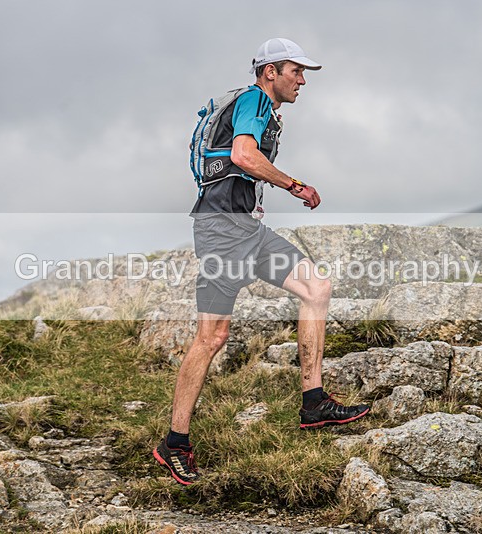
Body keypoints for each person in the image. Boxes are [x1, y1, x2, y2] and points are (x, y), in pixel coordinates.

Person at [153, 38, 370, 486]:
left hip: (247, 231)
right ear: (270, 71)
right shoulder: (254, 99)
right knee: (212, 338)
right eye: (296, 71)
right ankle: (174, 442)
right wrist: (296, 185)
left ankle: (314, 402)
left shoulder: (264, 109)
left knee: (316, 287)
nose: (303, 80)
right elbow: (243, 156)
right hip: (221, 232)